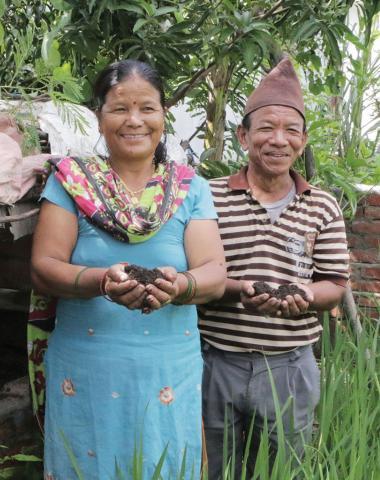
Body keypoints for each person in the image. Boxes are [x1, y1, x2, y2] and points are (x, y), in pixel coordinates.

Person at [30, 59, 226, 480]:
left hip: (169, 367)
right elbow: (44, 268)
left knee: (165, 465)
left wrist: (180, 286)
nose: (133, 120)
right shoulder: (71, 183)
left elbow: (214, 273)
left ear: (163, 117)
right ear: (99, 117)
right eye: (119, 108)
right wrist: (102, 281)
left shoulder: (191, 187)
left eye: (147, 108)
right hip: (88, 367)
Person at [198, 57, 349, 479]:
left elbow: (334, 284)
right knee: (214, 466)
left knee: (284, 467)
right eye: (266, 128)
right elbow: (193, 273)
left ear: (303, 139)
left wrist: (304, 298)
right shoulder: (208, 197)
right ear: (244, 136)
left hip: (289, 364)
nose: (278, 140)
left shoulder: (322, 205)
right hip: (217, 360)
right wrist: (238, 288)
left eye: (291, 130)